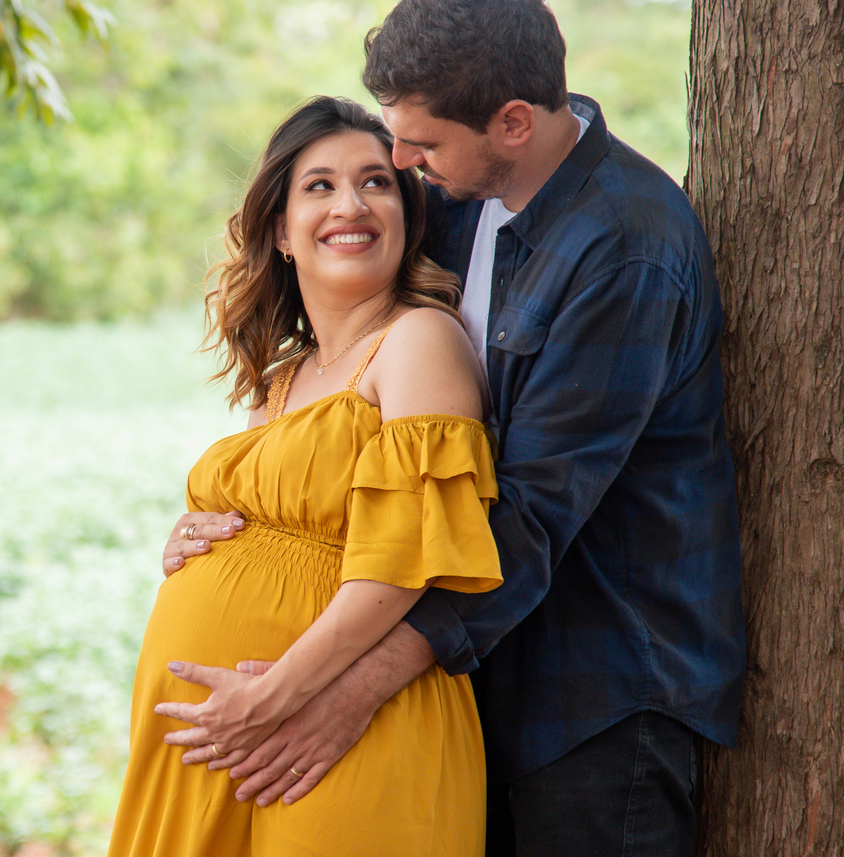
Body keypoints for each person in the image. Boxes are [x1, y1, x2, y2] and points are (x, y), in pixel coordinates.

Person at [158, 1, 746, 856]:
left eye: (420, 147)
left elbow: (529, 514)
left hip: (595, 694)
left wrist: (346, 689)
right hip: (474, 680)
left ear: (512, 123)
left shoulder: (625, 247)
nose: (400, 166)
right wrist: (234, 530)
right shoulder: (467, 200)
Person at [105, 95, 503, 857]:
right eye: (318, 186)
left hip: (331, 733)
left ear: (407, 215)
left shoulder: (418, 341)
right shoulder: (280, 382)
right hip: (228, 741)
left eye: (376, 182)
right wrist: (203, 539)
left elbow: (403, 567)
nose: (350, 204)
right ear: (282, 232)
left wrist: (272, 696)